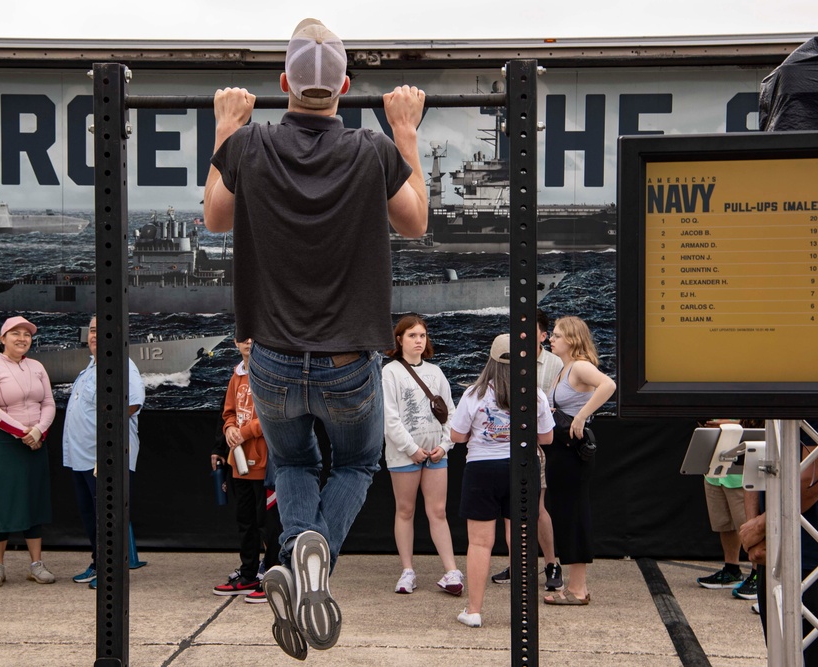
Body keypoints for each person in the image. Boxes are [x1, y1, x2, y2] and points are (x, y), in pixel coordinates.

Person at [202, 17, 428, 659]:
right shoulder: (370, 149)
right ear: (346, 88)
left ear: (283, 86)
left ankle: (298, 558)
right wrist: (405, 133)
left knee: (295, 462)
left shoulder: (249, 147)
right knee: (356, 463)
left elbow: (215, 218)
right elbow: (416, 222)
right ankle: (316, 562)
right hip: (348, 361)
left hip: (270, 360)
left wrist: (226, 128)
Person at [449, 333, 556, 627]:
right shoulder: (534, 394)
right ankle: (523, 613)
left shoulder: (474, 394)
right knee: (520, 540)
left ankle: (473, 611)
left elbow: (456, 436)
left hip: (482, 469)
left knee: (480, 543)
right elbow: (546, 438)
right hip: (522, 467)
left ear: (491, 361)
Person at [740, 419, 818, 665]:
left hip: (814, 557)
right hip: (772, 554)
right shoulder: (772, 395)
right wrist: (755, 536)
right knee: (781, 658)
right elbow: (755, 463)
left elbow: (812, 483)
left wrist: (759, 528)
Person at [382, 314, 462, 595]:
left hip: (436, 454)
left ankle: (451, 570)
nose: (418, 340)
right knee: (405, 510)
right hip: (405, 455)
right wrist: (412, 449)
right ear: (399, 339)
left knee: (438, 511)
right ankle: (407, 571)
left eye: (422, 335)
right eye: (412, 335)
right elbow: (390, 419)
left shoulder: (436, 372)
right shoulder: (390, 372)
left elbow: (451, 412)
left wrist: (445, 445)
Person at [62, 316, 145, 589]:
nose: (96, 335)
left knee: (108, 516)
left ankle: (112, 571)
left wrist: (109, 435)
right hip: (81, 457)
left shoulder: (123, 364)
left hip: (105, 458)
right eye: (93, 330)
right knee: (91, 516)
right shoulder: (89, 369)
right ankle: (99, 563)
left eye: (103, 330)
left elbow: (132, 403)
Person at [0, 315, 56, 588]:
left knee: (33, 499)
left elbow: (48, 403)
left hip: (34, 442)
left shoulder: (37, 367)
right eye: (16, 333)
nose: (22, 338)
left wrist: (38, 432)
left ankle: (36, 564)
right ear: (3, 338)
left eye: (27, 334)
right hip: (1, 443)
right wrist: (25, 433)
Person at [542, 316, 616, 606]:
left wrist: (583, 415)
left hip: (573, 449)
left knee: (573, 514)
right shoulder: (564, 369)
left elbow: (608, 385)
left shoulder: (581, 365)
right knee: (565, 513)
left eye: (557, 335)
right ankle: (574, 586)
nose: (552, 339)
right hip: (560, 449)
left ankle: (578, 589)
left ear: (572, 339)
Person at [492, 308, 563, 590]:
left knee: (536, 508)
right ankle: (519, 564)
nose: (520, 336)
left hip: (537, 447)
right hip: (506, 445)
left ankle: (551, 564)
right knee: (513, 511)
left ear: (543, 336)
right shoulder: (508, 359)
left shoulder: (555, 364)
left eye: (528, 330)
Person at [210, 336, 281, 603]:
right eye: (242, 339)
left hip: (265, 464)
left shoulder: (270, 373)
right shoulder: (236, 375)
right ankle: (249, 574)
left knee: (269, 525)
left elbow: (274, 414)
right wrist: (229, 429)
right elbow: (228, 412)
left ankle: (273, 576)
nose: (248, 343)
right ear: (236, 344)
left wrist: (244, 432)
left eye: (253, 338)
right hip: (238, 464)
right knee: (246, 523)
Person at [695, 419, 759, 601]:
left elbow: (759, 418)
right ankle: (731, 569)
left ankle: (758, 574)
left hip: (741, 460)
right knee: (724, 522)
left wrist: (732, 422)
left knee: (748, 523)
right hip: (715, 460)